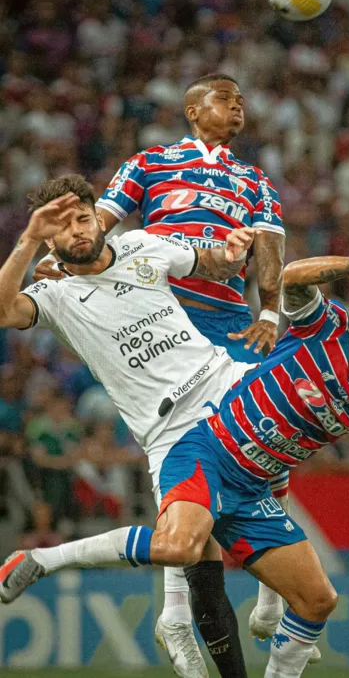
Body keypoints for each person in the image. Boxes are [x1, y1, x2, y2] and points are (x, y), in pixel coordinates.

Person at [5, 242, 349, 678]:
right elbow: (291, 276)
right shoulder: (323, 328)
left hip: (254, 489)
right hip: (207, 449)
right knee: (179, 547)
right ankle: (41, 561)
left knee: (318, 599)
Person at [33, 73, 290, 669]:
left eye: (243, 100)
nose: (239, 107)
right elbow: (97, 223)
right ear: (194, 109)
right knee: (182, 455)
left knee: (271, 438)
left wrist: (272, 312)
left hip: (229, 318)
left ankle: (270, 591)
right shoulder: (149, 163)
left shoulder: (254, 181)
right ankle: (176, 613)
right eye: (228, 98)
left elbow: (270, 253)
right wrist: (51, 261)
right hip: (161, 310)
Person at [0, 175, 258, 678]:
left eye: (82, 218)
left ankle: (204, 611)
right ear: (49, 241)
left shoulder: (142, 244)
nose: (75, 231)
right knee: (195, 556)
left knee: (308, 386)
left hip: (225, 388)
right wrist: (27, 238)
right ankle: (180, 617)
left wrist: (229, 252)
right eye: (59, 227)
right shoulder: (54, 294)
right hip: (168, 435)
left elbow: (206, 262)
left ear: (98, 217)